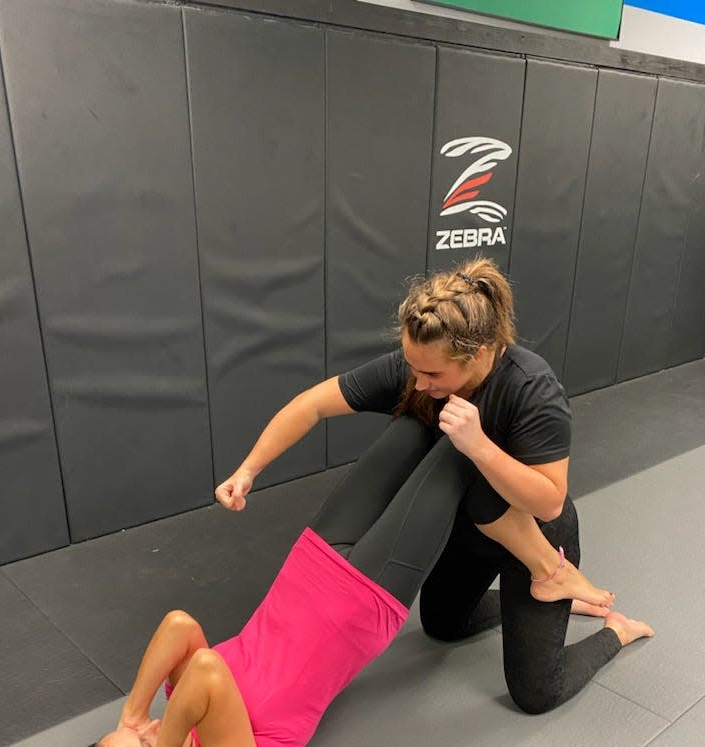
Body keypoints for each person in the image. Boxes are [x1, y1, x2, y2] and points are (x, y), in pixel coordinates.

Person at [64, 411, 651, 747]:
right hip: (365, 599)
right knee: (460, 445)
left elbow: (178, 624)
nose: (152, 729)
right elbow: (208, 671)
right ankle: (585, 597)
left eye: (138, 732)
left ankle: (539, 582)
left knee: (419, 419)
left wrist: (130, 719)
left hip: (314, 558)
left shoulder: (174, 714)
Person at [215, 256, 653, 714]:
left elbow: (549, 502)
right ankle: (536, 606)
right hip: (470, 525)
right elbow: (313, 405)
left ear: (481, 353)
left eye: (434, 375)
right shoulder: (421, 367)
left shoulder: (532, 388)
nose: (420, 383)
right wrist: (248, 470)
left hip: (534, 531)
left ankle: (607, 626)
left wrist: (481, 445)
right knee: (443, 624)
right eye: (413, 368)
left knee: (536, 695)